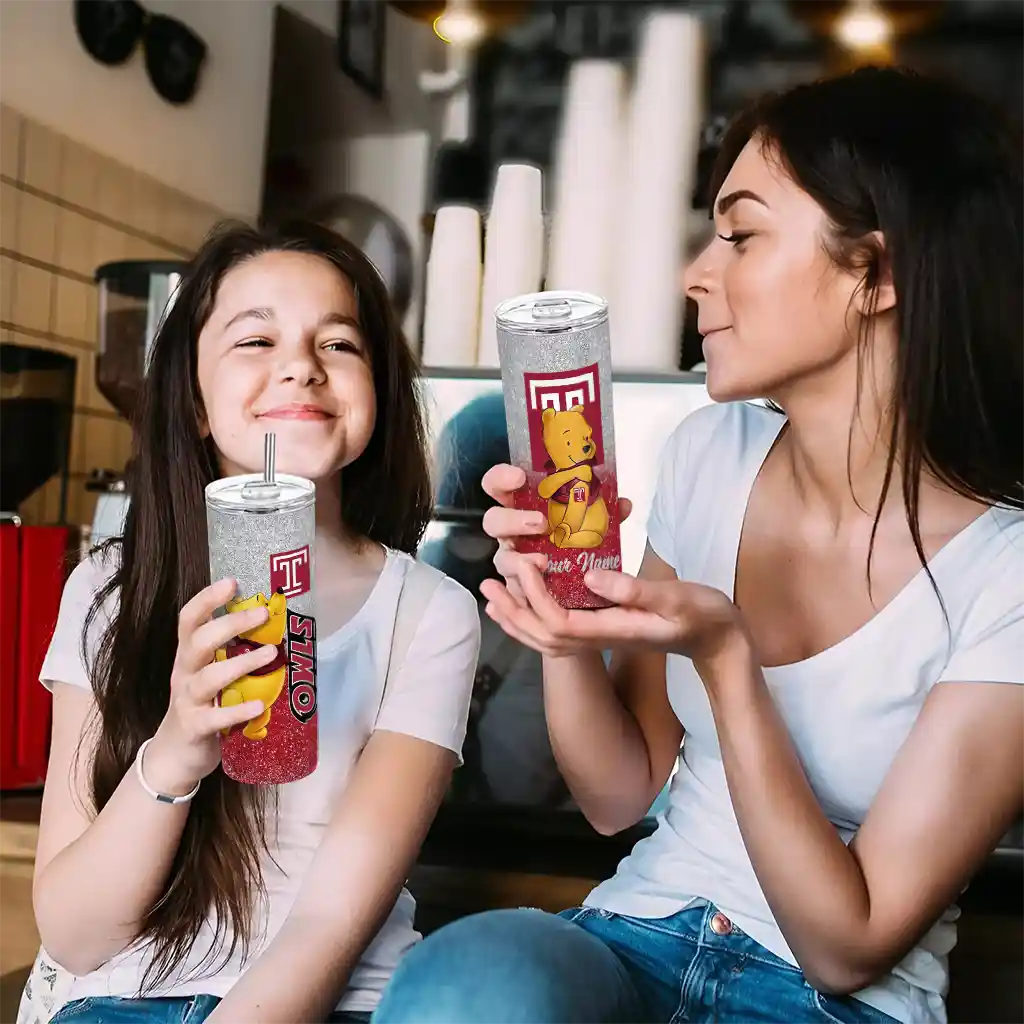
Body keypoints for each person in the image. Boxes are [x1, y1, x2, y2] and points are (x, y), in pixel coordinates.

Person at [373, 66, 1024, 1024]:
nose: (696, 273)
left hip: (828, 1000)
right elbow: (616, 795)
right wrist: (566, 628)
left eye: (741, 234)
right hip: (635, 935)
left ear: (877, 274)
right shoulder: (710, 453)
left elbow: (848, 948)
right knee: (467, 986)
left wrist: (726, 658)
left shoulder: (1004, 573)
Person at [31, 222, 480, 1023]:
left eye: (338, 343)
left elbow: (327, 927)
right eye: (256, 340)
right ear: (195, 403)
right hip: (119, 1001)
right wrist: (178, 750)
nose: (302, 365)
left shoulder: (427, 614)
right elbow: (73, 936)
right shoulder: (109, 590)